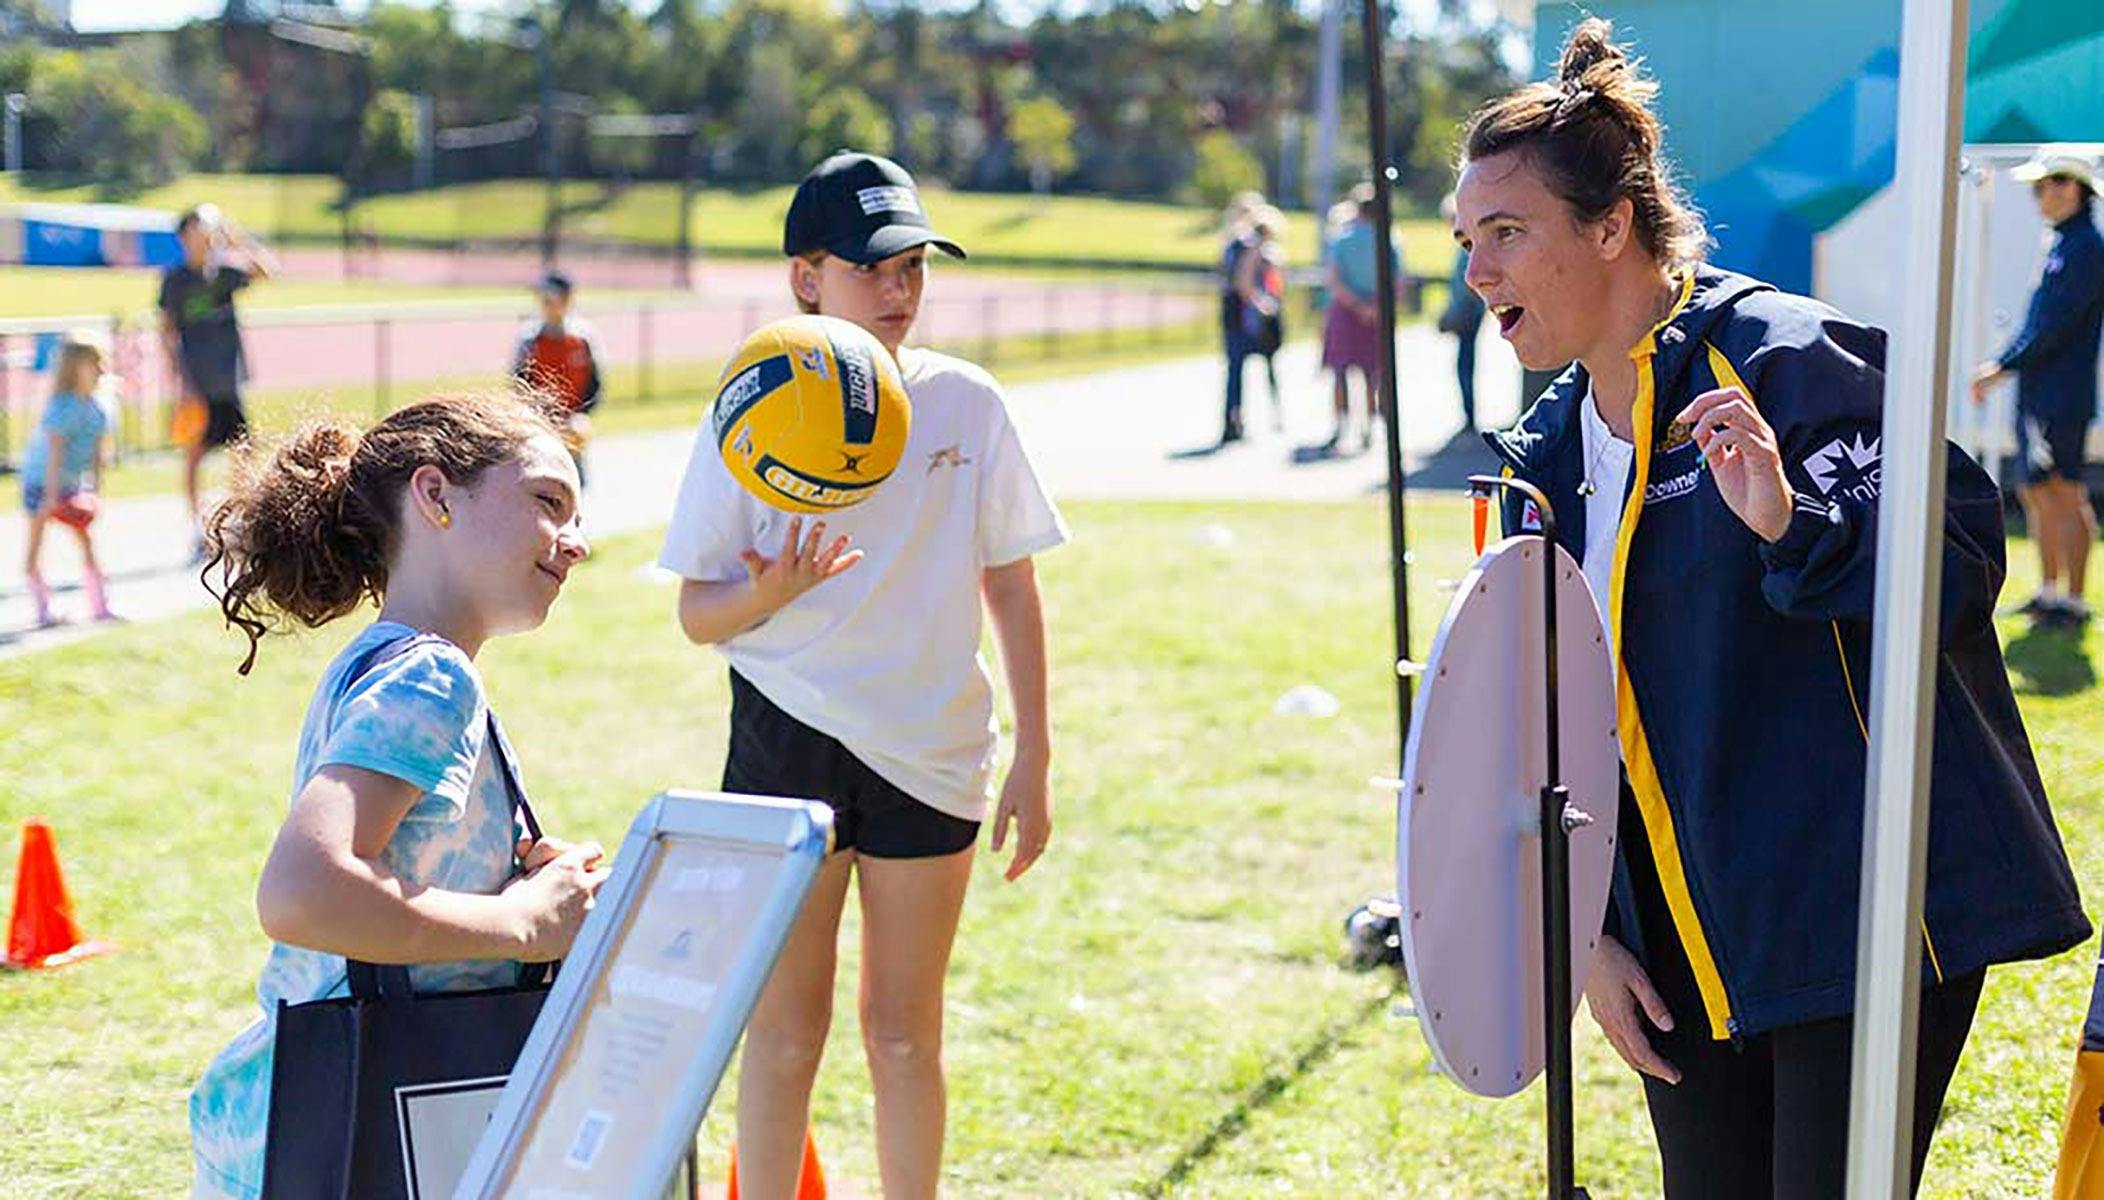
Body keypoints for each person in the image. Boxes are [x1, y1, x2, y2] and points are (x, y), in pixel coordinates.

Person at [1457, 21, 2089, 1197]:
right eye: (1465, 239)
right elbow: (1527, 717)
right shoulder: (1536, 460)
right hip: (1677, 950)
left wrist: (1790, 525)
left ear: (1608, 226)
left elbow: (1954, 563)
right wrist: (1585, 931)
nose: (1476, 272)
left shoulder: (1792, 361)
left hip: (1855, 926)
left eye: (1505, 233)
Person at [659, 150, 1064, 1200]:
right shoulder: (748, 412)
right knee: (785, 1034)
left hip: (932, 751)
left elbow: (1011, 588)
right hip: (784, 740)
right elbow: (699, 615)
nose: (900, 290)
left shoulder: (964, 404)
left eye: (915, 268)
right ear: (807, 277)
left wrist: (1036, 755)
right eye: (876, 268)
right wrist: (773, 590)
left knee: (902, 1036)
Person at [187, 393, 606, 1200]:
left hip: (314, 1116)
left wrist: (521, 890)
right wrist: (521, 922)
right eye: (549, 501)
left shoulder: (383, 660)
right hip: (349, 1128)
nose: (578, 542)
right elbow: (304, 893)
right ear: (436, 494)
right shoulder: (433, 674)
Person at [1970, 149, 2103, 630]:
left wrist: (1999, 365)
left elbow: (2052, 326)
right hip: (2044, 391)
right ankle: (2049, 594)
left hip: (2060, 394)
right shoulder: (2066, 243)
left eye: (2045, 186)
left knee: (2064, 491)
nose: (2038, 197)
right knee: (2036, 491)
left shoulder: (2085, 246)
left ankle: (2072, 600)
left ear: (2072, 188)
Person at [160, 203, 276, 562]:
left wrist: (237, 238)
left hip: (229, 380)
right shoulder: (176, 279)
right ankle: (197, 528)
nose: (205, 238)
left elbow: (267, 272)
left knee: (243, 451)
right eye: (198, 230)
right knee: (195, 454)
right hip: (199, 381)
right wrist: (180, 381)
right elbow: (166, 332)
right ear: (184, 236)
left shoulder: (225, 271)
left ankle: (241, 521)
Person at [22, 335, 115, 627]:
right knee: (36, 542)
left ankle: (100, 605)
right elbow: (54, 453)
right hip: (42, 483)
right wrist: (49, 496)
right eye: (94, 364)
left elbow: (99, 456)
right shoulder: (61, 407)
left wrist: (94, 492)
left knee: (86, 539)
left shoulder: (99, 409)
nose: (101, 369)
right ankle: (42, 609)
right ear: (76, 368)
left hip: (71, 485)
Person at [1321, 185, 1400, 451]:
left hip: (1345, 311)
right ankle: (1369, 426)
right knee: (1372, 374)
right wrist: (1376, 308)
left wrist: (1355, 304)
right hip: (1376, 310)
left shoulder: (1341, 239)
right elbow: (1397, 282)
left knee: (1340, 372)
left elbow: (1333, 280)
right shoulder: (1390, 241)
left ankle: (1341, 426)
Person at [512, 270, 605, 487]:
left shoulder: (582, 339)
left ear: (566, 300)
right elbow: (519, 384)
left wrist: (582, 416)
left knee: (575, 483)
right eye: (542, 299)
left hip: (573, 425)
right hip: (540, 423)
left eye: (550, 298)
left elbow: (594, 384)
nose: (545, 304)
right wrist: (536, 418)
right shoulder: (530, 339)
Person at [1436, 194, 1488, 432]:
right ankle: (1468, 414)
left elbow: (1468, 282)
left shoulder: (1468, 249)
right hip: (1468, 308)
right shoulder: (1465, 247)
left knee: (1464, 363)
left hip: (1468, 310)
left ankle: (1469, 416)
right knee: (1464, 362)